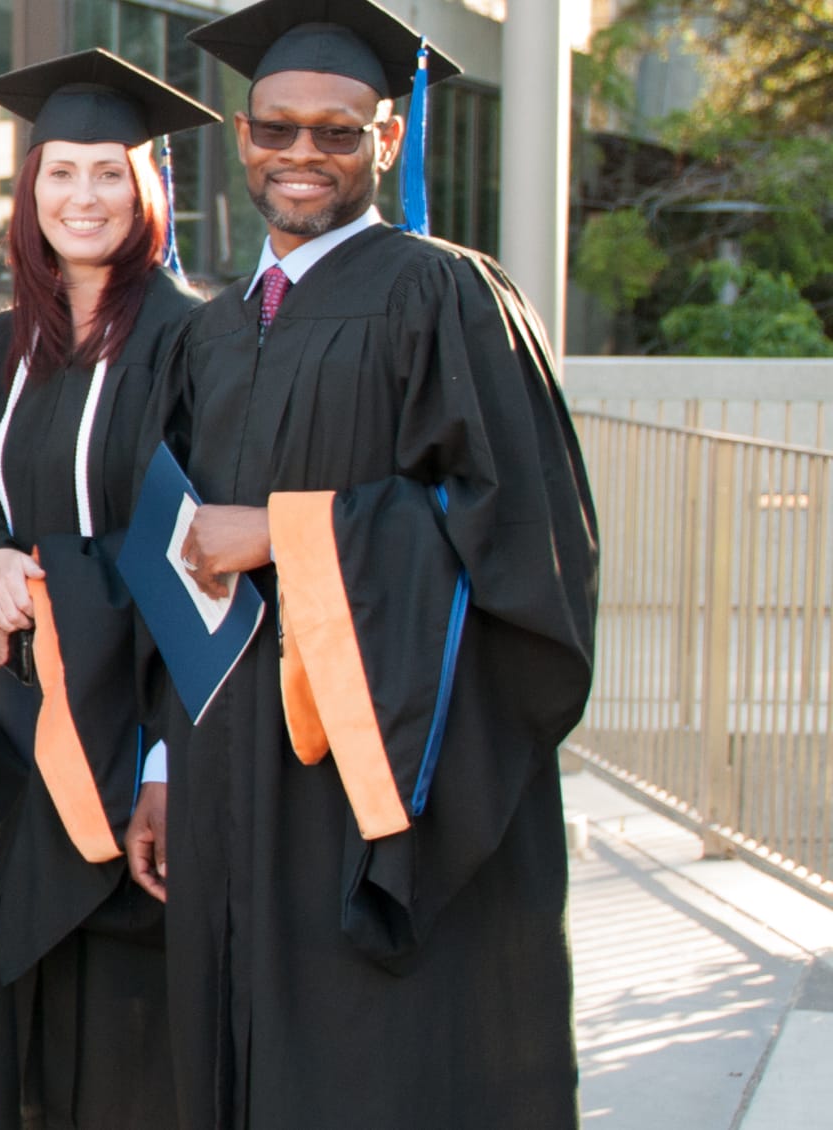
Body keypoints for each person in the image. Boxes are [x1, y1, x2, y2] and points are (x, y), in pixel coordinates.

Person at [154, 2, 595, 1125]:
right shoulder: (209, 330)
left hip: (380, 760)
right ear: (240, 137)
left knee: (375, 1058)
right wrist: (159, 760)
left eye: (337, 132)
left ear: (385, 141)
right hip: (227, 757)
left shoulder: (444, 292)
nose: (303, 154)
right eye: (278, 128)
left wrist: (288, 533)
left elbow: (518, 530)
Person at [0, 50, 216, 1130]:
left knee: (138, 990)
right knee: (41, 973)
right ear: (28, 190)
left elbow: (202, 561)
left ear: (146, 190)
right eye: (59, 172)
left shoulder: (194, 341)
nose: (82, 197)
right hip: (30, 722)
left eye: (108, 172)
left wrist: (163, 764)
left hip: (140, 721)